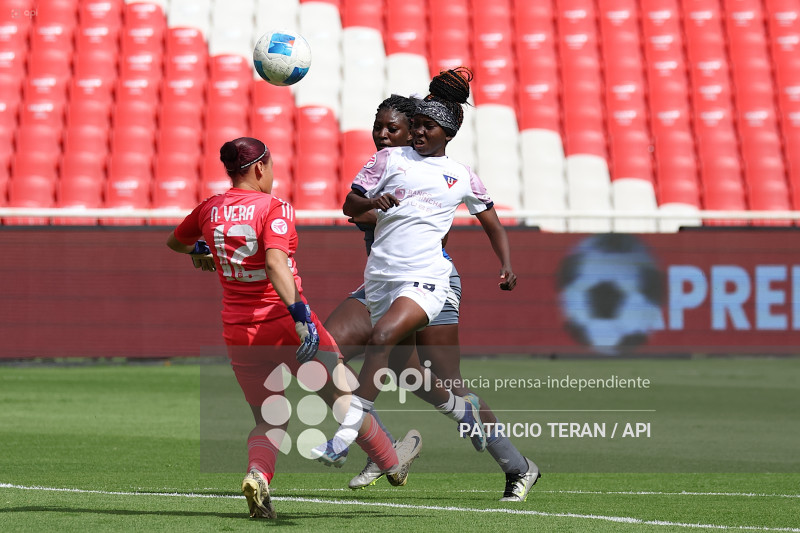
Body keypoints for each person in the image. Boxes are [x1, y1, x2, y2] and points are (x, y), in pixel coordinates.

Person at [166, 137, 422, 519]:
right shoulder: (273, 207)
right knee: (344, 398)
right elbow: (274, 263)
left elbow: (176, 242)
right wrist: (301, 317)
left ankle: (257, 474)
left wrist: (202, 253)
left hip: (239, 333)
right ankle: (391, 463)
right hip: (286, 324)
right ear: (259, 168)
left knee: (270, 419)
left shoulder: (209, 208)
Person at [316, 68, 540, 501]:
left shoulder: (436, 171)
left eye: (393, 128)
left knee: (443, 381)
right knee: (327, 356)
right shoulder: (387, 166)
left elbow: (383, 213)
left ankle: (515, 464)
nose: (383, 135)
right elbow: (355, 207)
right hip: (382, 282)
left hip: (431, 280)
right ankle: (382, 447)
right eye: (378, 127)